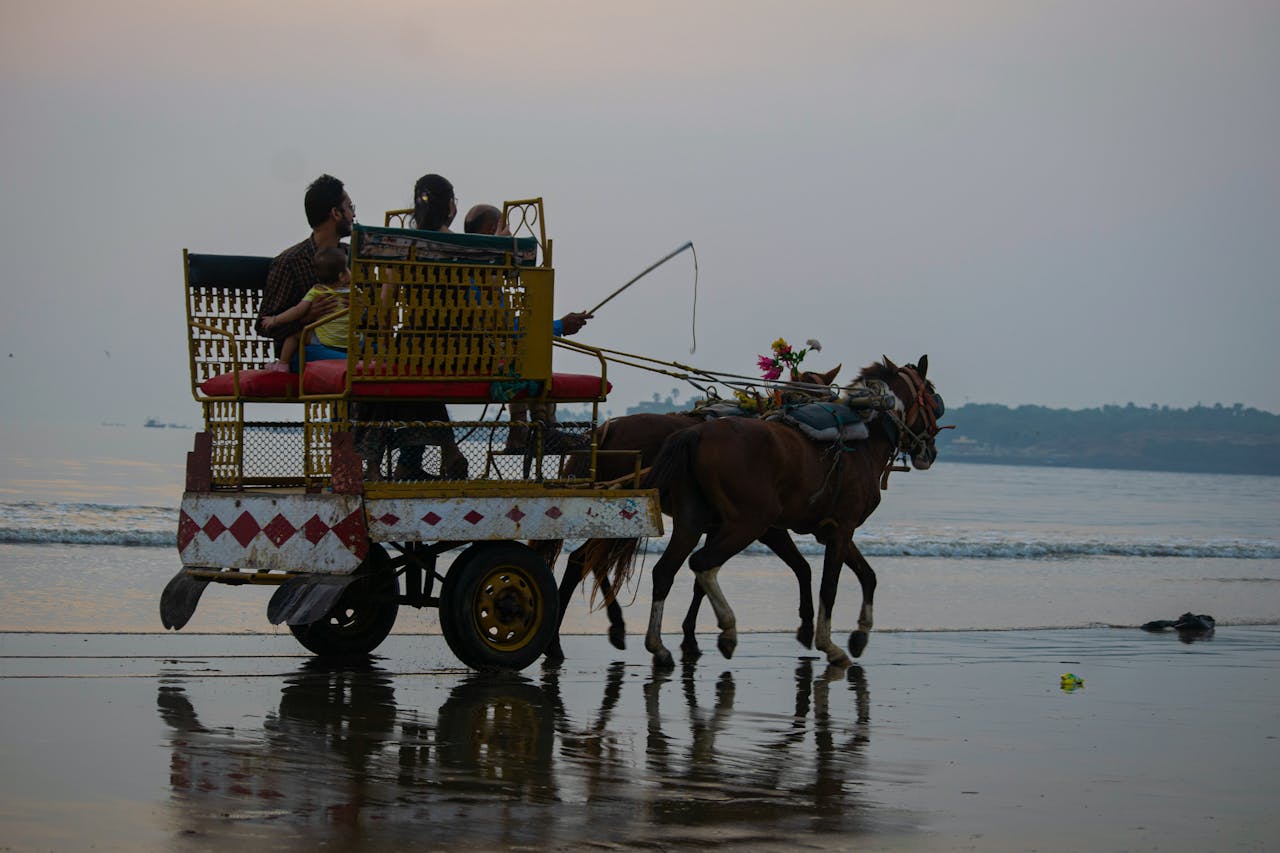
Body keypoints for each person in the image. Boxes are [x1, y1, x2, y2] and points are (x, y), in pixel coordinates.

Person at [359, 174, 468, 481]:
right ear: (450, 206)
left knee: (387, 376)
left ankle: (374, 467)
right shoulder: (469, 248)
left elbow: (384, 307)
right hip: (461, 346)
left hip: (416, 344)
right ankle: (447, 450)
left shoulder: (403, 248)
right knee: (418, 369)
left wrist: (383, 339)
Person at [463, 203, 593, 451]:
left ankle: (520, 433)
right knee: (533, 355)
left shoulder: (473, 271)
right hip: (480, 359)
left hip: (479, 352)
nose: (509, 233)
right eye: (504, 228)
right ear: (492, 231)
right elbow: (505, 327)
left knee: (523, 352)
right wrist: (559, 326)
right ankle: (544, 429)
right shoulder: (480, 277)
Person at [256, 175, 352, 365]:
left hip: (348, 344)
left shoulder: (352, 256)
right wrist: (306, 318)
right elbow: (263, 326)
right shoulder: (290, 262)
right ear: (336, 213)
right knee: (357, 367)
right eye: (350, 208)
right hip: (303, 351)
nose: (353, 215)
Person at [259, 246, 350, 372]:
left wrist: (275, 319)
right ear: (342, 276)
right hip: (351, 340)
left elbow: (297, 310)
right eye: (349, 268)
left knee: (294, 335)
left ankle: (283, 364)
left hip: (326, 340)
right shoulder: (353, 292)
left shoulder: (317, 291)